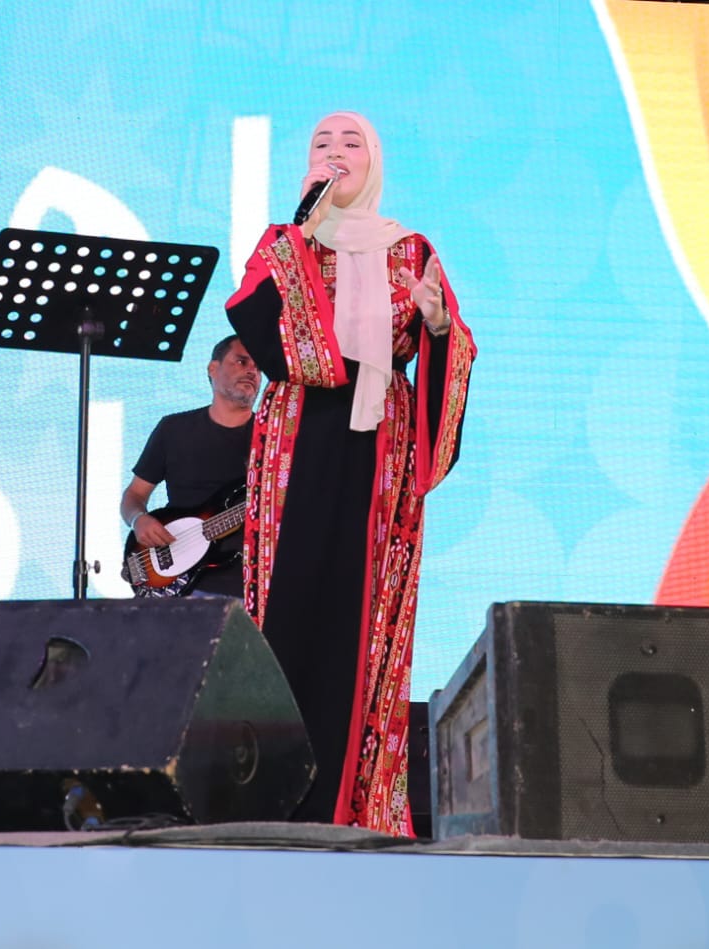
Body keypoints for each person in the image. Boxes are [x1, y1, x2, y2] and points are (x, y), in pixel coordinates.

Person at [226, 111, 475, 834]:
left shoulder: (410, 248)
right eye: (321, 144)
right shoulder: (283, 243)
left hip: (378, 443)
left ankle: (352, 802)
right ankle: (263, 797)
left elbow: (449, 348)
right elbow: (264, 331)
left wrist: (436, 327)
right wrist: (300, 234)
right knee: (286, 604)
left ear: (374, 159)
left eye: (351, 142)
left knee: (359, 614)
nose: (335, 153)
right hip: (296, 433)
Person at [120, 334, 261, 598]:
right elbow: (134, 495)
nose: (252, 371)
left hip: (255, 586)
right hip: (187, 588)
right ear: (213, 369)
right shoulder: (173, 429)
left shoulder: (273, 439)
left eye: (258, 366)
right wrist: (139, 520)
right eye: (241, 362)